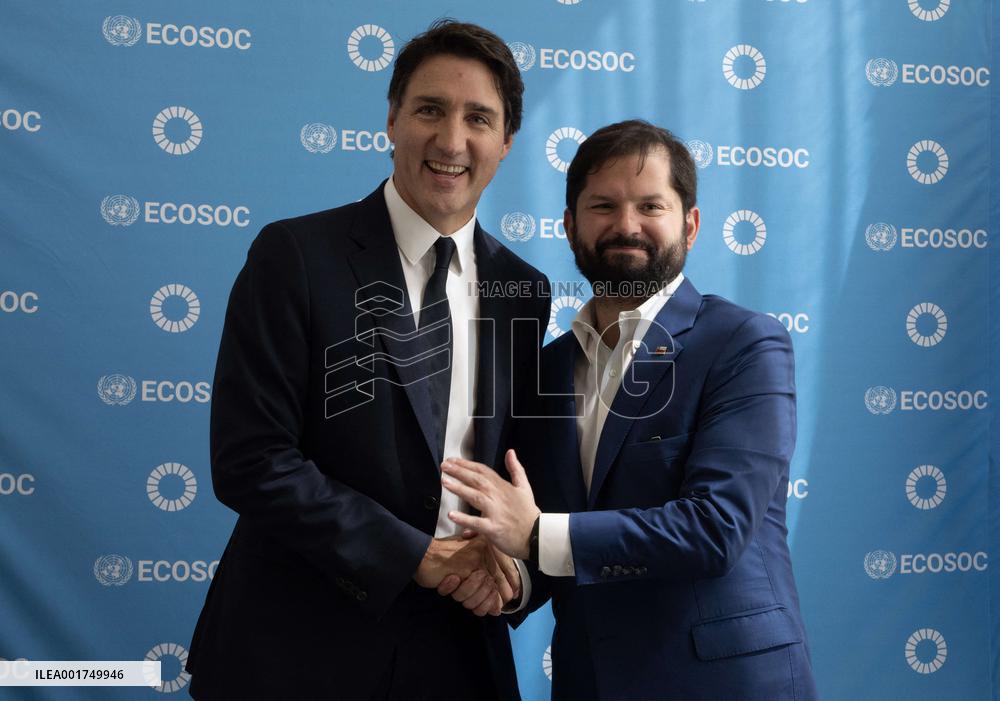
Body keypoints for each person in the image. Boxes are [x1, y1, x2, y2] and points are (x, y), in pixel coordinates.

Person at [186, 20, 550, 700]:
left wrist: (511, 574)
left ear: (505, 143)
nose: (451, 140)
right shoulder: (295, 256)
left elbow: (521, 469)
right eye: (429, 109)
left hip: (458, 653)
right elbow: (251, 457)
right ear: (391, 120)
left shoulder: (522, 290)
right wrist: (415, 556)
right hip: (294, 651)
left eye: (479, 118)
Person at [441, 120, 819, 700]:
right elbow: (551, 527)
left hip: (725, 682)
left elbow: (716, 529)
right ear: (569, 227)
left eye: (651, 205)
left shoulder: (745, 343)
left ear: (690, 225)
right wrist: (509, 579)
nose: (626, 226)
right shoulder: (544, 369)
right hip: (590, 680)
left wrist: (536, 535)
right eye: (603, 206)